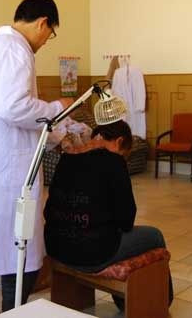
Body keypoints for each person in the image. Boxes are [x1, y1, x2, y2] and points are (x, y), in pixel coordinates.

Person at [0, 0, 74, 317]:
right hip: (7, 177)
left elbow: (9, 116)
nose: (46, 41)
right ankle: (13, 313)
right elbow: (14, 108)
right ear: (43, 23)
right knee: (18, 257)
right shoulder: (16, 50)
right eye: (50, 34)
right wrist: (57, 108)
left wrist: (55, 134)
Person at [43, 120, 173, 311]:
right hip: (93, 254)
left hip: (57, 247)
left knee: (110, 235)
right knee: (154, 236)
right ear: (119, 141)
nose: (123, 159)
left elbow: (49, 210)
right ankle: (158, 304)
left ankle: (128, 300)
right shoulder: (114, 162)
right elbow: (126, 221)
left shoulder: (66, 157)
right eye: (124, 154)